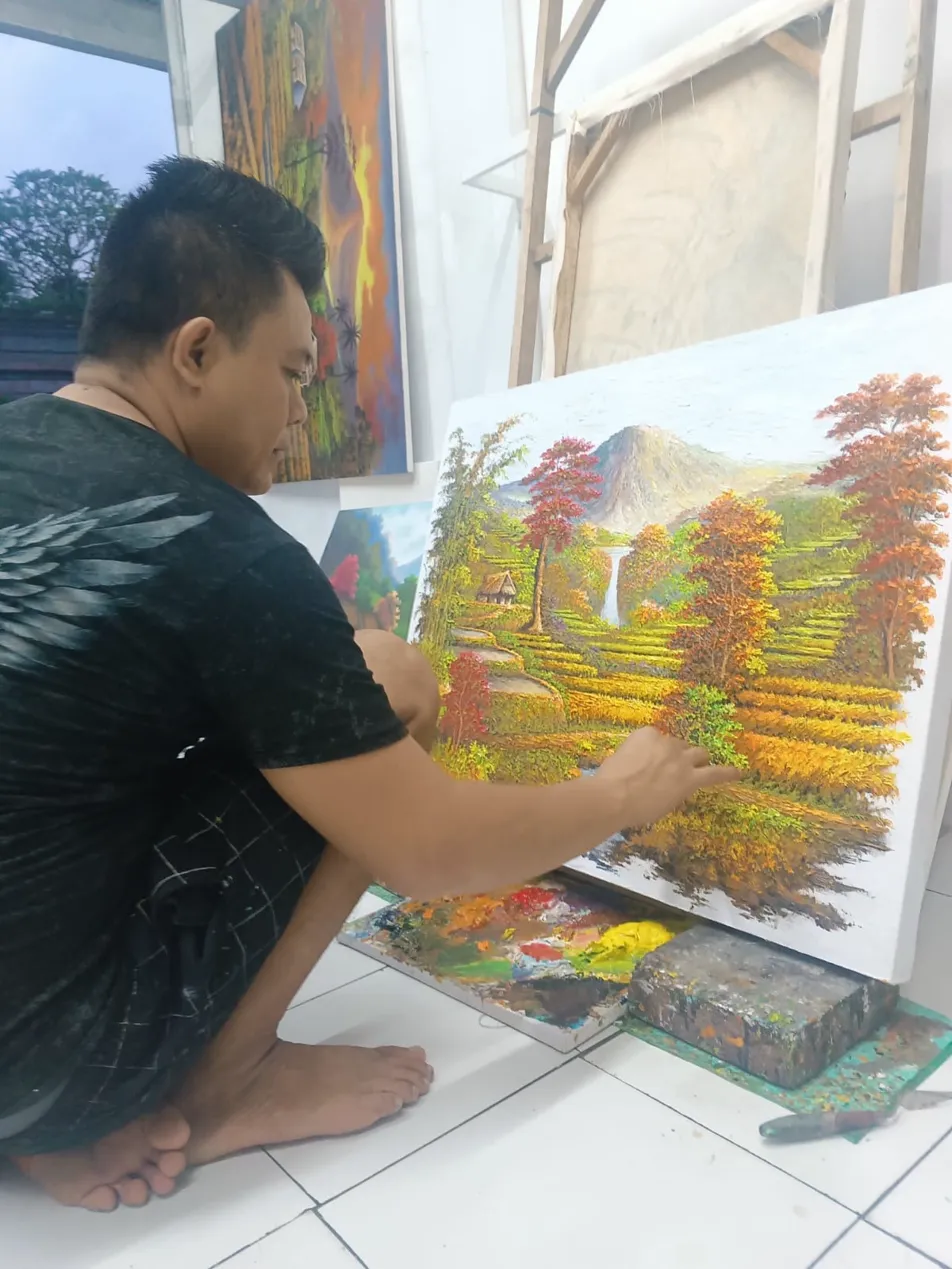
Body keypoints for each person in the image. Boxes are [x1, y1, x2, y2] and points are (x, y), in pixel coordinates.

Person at [0, 157, 737, 1213]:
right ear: (198, 350)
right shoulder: (216, 544)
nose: (303, 409)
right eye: (295, 372)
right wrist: (626, 793)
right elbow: (426, 849)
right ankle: (219, 1083)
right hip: (46, 1068)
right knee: (387, 678)